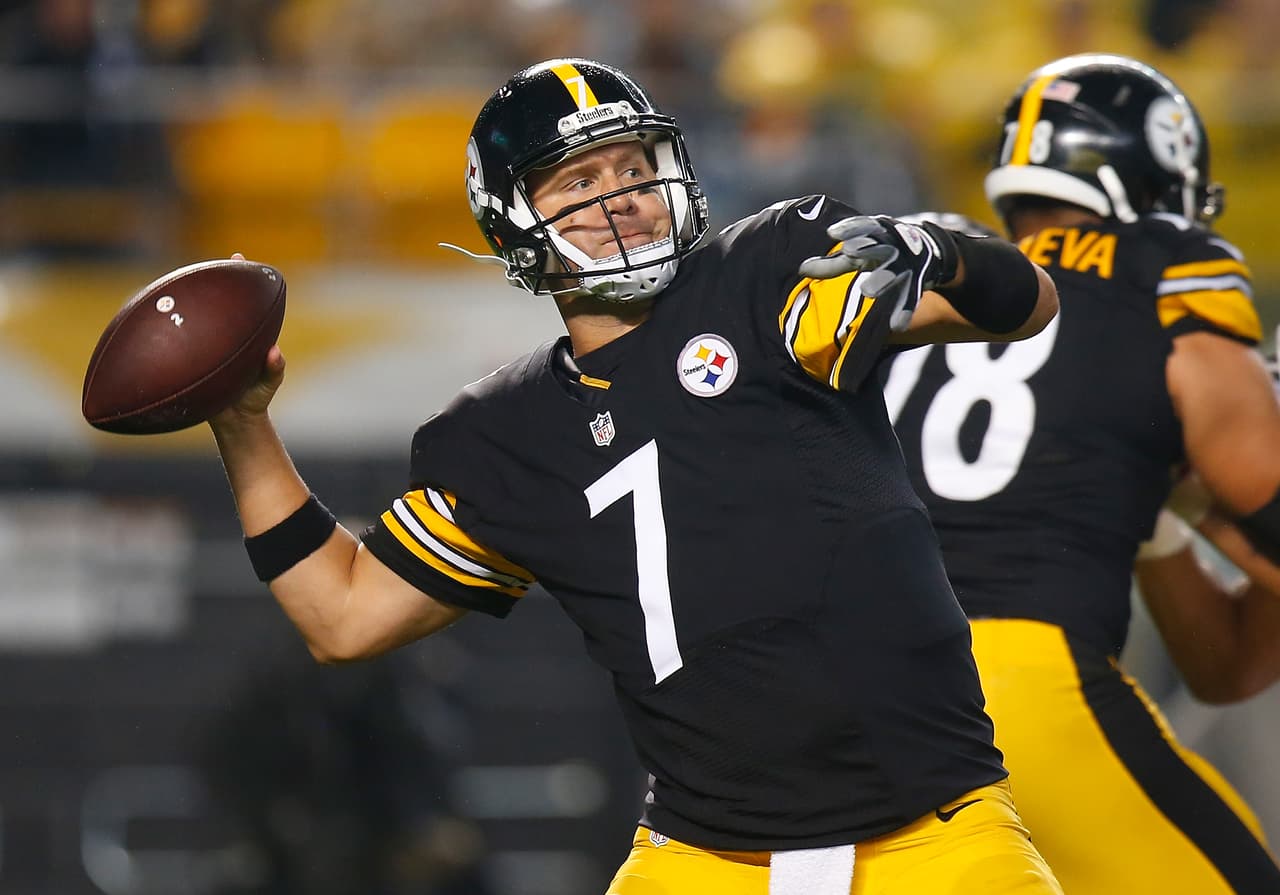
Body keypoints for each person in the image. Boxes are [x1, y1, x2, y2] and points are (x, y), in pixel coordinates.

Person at [206, 58, 1061, 894]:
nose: (620, 197)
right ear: (512, 221)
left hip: (937, 838)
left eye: (632, 168)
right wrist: (244, 427)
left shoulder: (767, 275)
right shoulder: (506, 434)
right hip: (702, 859)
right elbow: (344, 615)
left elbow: (1028, 304)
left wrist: (943, 254)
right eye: (578, 183)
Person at [883, 53, 1280, 894]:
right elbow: (1263, 495)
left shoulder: (925, 281)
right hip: (1016, 687)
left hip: (837, 695)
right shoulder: (1163, 273)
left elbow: (1222, 667)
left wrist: (1179, 508)